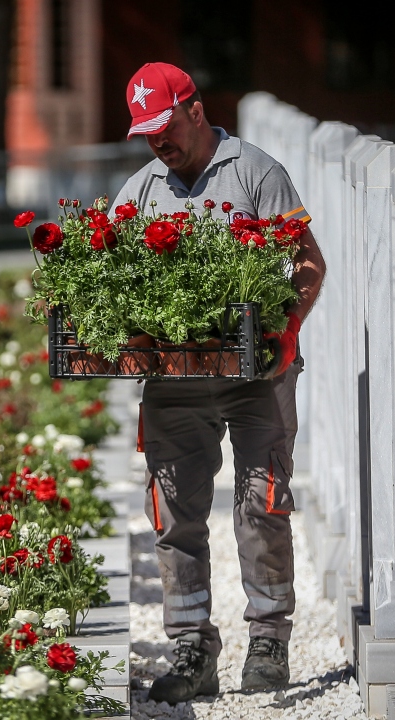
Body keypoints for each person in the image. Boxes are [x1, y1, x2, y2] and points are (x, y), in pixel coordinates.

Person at [110, 62, 326, 704]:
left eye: (164, 125)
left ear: (195, 110)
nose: (157, 141)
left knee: (262, 502)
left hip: (255, 375)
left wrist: (288, 327)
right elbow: (110, 280)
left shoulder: (256, 172)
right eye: (145, 131)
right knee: (174, 514)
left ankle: (268, 638)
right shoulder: (137, 193)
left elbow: (308, 260)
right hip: (174, 382)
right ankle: (191, 645)